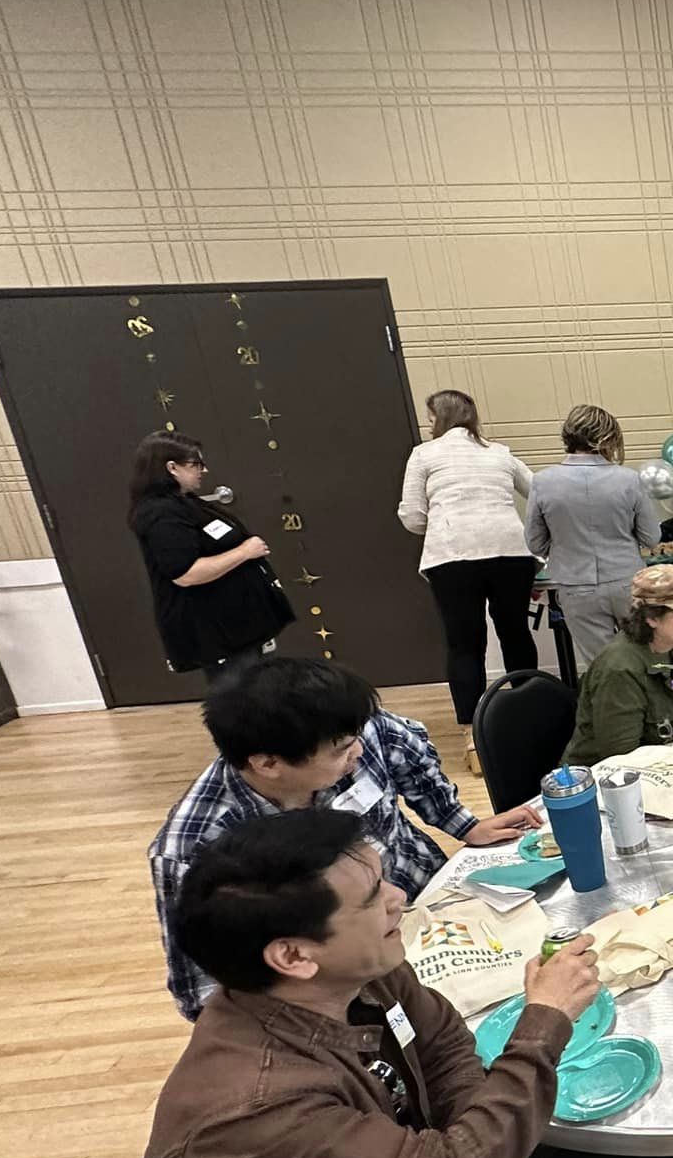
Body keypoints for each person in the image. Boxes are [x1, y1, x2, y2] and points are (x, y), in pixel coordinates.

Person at [143, 808, 627, 1158]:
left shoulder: (353, 975)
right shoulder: (253, 1113)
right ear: (294, 956)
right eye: (373, 897)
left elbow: (444, 1046)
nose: (399, 897)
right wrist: (544, 1021)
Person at [150, 656, 541, 1020]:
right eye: (340, 750)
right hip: (341, 970)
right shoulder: (193, 847)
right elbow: (202, 990)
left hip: (430, 900)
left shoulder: (352, 730)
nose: (358, 750)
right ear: (268, 763)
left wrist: (464, 824)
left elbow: (408, 750)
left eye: (356, 737)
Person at [398, 389, 541, 763]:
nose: (428, 425)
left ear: (440, 419)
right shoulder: (500, 454)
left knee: (464, 644)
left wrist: (448, 522)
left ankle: (473, 739)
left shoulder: (423, 454)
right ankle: (531, 715)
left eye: (430, 418)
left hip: (452, 556)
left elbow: (412, 516)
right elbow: (539, 494)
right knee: (515, 632)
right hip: (511, 552)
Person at [127, 431, 294, 679]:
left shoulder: (188, 502)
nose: (203, 470)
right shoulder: (161, 514)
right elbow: (185, 574)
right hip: (218, 630)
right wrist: (244, 552)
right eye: (196, 464)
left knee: (265, 693)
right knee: (243, 701)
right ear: (172, 467)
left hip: (242, 624)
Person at [525, 405, 657, 664]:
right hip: (626, 580)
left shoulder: (542, 482)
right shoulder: (629, 480)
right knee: (647, 657)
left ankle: (611, 704)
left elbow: (535, 543)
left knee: (603, 666)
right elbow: (651, 537)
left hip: (575, 586)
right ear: (609, 438)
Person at [564, 565, 673, 766]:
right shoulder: (619, 670)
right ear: (652, 617)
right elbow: (621, 760)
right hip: (607, 781)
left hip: (657, 759)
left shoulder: (669, 648)